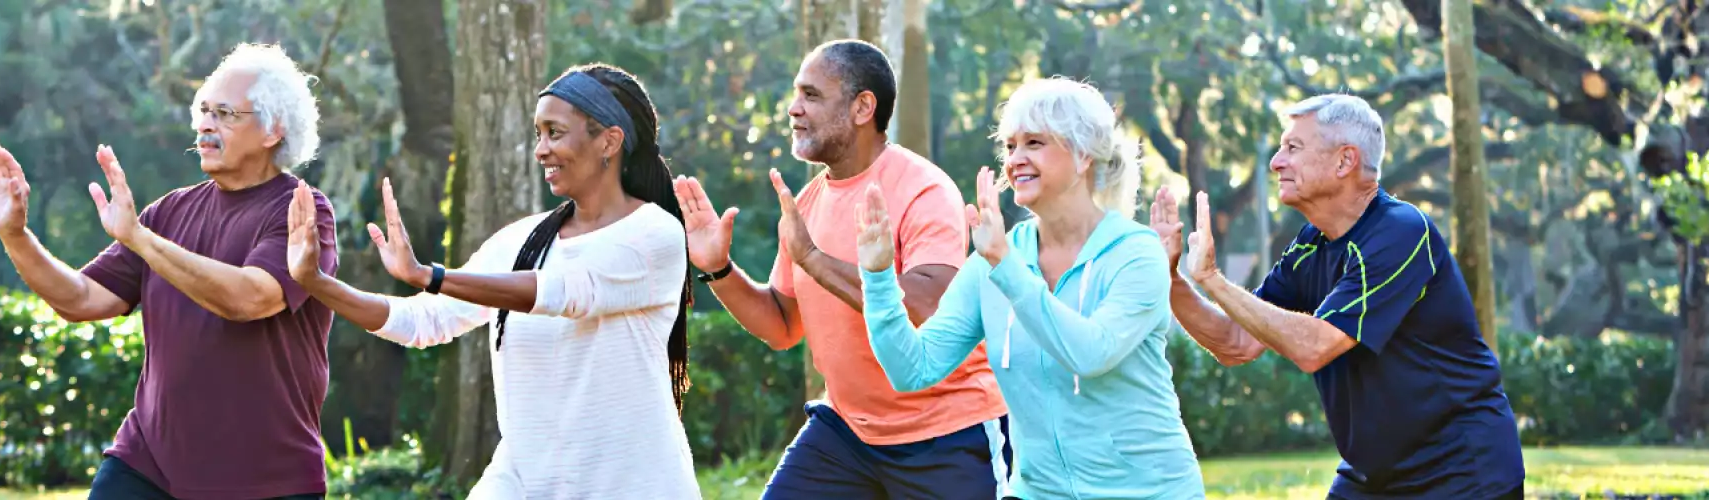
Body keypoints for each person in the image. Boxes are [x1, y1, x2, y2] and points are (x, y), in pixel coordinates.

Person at [283, 63, 700, 499]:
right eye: (538, 134)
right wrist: (316, 282)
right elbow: (424, 320)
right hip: (524, 480)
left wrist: (429, 275)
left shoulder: (655, 235)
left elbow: (566, 293)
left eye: (555, 133)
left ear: (609, 141)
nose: (540, 150)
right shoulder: (523, 241)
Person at [0, 43, 338, 499]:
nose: (206, 125)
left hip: (266, 479)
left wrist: (138, 238)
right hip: (148, 464)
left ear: (273, 129)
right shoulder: (168, 212)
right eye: (203, 110)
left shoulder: (303, 212)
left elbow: (249, 299)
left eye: (226, 114)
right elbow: (81, 299)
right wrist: (15, 234)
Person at [674, 39, 1010, 499]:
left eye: (811, 95)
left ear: (862, 107)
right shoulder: (807, 204)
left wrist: (814, 259)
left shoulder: (924, 189)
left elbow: (929, 304)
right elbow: (782, 325)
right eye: (796, 94)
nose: (793, 109)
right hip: (848, 434)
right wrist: (718, 269)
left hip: (947, 433)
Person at [1159, 94, 1524, 498]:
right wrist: (1171, 277)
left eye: (1292, 148)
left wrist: (1213, 279)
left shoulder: (1401, 232)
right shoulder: (1310, 245)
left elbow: (1315, 345)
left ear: (1345, 161)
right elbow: (1235, 342)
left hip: (1462, 472)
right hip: (1373, 474)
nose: (1276, 161)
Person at [853, 77, 1203, 499]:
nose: (1016, 158)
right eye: (1010, 146)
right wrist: (877, 278)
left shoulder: (1136, 254)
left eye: (1035, 143)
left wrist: (1006, 264)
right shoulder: (993, 261)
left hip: (1147, 491)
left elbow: (1090, 354)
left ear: (1083, 156)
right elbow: (913, 369)